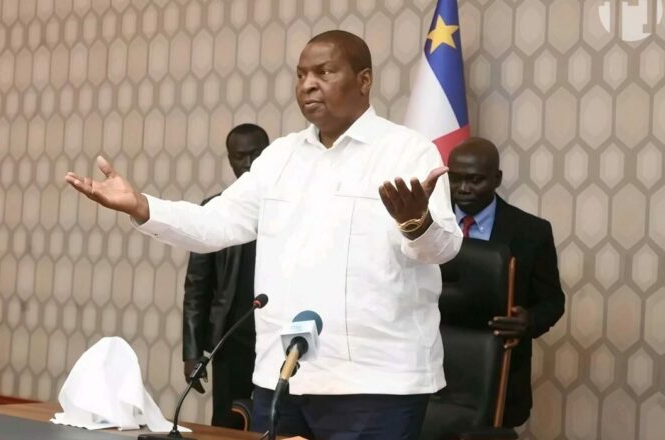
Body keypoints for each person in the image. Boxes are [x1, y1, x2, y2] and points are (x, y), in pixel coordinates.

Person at [66, 30, 462, 439]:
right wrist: (142, 205)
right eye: (301, 74)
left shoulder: (406, 151)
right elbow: (215, 223)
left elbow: (445, 247)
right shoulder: (280, 157)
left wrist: (416, 223)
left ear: (364, 80)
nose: (308, 85)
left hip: (376, 384)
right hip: (282, 376)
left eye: (324, 72)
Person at [447, 137, 565, 427]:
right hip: (431, 369)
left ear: (496, 178)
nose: (463, 188)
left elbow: (553, 301)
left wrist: (529, 320)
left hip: (500, 372)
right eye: (455, 179)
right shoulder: (428, 223)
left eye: (475, 180)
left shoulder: (531, 232)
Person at [182, 123, 270, 428]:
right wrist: (192, 352)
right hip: (232, 340)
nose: (247, 163)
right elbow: (197, 287)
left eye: (255, 155)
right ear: (229, 158)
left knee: (275, 423)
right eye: (239, 156)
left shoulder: (288, 208)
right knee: (227, 423)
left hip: (277, 339)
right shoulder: (216, 209)